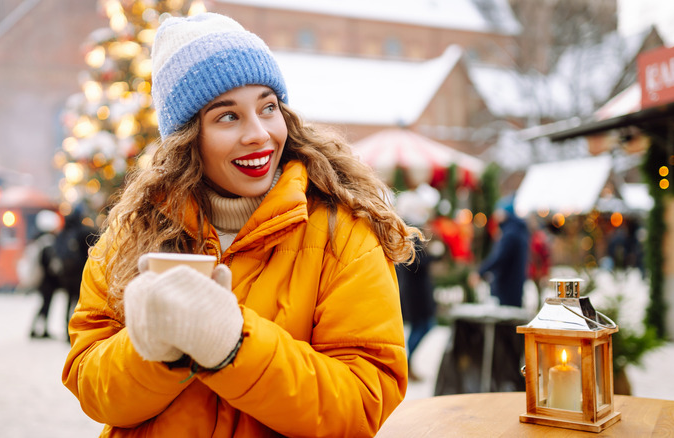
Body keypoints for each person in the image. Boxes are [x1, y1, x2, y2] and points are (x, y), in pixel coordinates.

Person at [62, 12, 419, 437]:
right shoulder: (132, 235)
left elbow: (362, 402)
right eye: (227, 116)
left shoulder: (342, 233)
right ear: (187, 139)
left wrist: (234, 346)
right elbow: (90, 385)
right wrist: (151, 352)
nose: (259, 134)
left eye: (268, 107)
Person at [469, 196, 529, 308]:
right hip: (513, 284)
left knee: (508, 318)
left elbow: (498, 257)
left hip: (508, 286)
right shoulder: (516, 230)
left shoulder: (510, 234)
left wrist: (480, 272)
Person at [396, 235, 437, 382]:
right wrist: (433, 255)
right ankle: (406, 362)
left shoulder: (406, 241)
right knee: (422, 327)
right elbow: (416, 264)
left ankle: (408, 362)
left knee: (422, 327)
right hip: (416, 296)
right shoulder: (411, 240)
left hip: (416, 295)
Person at [53, 206, 95, 340]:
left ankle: (66, 330)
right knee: (79, 303)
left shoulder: (62, 233)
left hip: (65, 275)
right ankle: (76, 330)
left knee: (68, 301)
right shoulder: (83, 232)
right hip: (79, 274)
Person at [25, 210, 61, 339]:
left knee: (44, 304)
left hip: (42, 279)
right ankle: (37, 329)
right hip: (47, 280)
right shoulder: (48, 241)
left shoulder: (38, 239)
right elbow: (49, 263)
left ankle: (40, 328)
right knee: (45, 305)